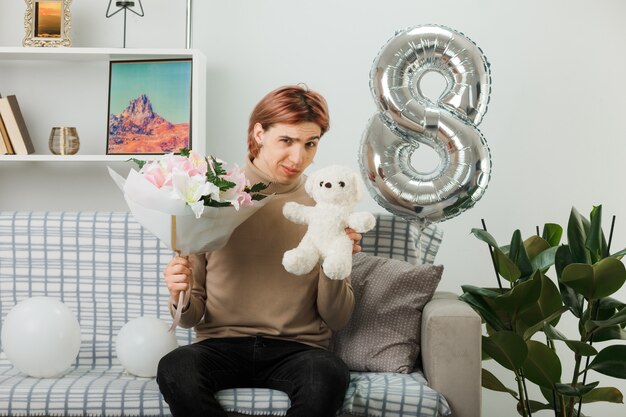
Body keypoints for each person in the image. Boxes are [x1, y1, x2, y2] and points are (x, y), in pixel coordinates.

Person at [156, 85, 362, 417]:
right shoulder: (213, 197)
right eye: (287, 141)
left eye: (310, 144)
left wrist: (335, 263)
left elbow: (336, 318)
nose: (299, 158)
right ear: (259, 133)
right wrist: (178, 290)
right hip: (219, 346)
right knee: (175, 368)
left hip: (300, 350)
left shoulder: (327, 202)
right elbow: (191, 318)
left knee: (328, 375)